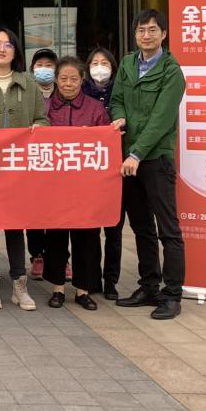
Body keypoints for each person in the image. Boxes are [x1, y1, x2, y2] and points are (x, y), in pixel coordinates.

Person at [111, 9, 186, 321]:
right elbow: (116, 99)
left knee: (168, 230)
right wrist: (119, 116)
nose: (146, 35)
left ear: (163, 34)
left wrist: (137, 153)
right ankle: (149, 287)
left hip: (155, 159)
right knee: (141, 227)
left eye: (153, 30)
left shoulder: (172, 71)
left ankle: (172, 295)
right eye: (141, 30)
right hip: (129, 159)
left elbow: (161, 120)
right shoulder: (128, 64)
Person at [0, 27, 48, 311]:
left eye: (8, 45)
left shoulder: (28, 84)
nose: (2, 49)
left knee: (15, 225)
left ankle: (19, 284)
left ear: (16, 51)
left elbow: (42, 118)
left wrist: (39, 127)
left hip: (18, 167)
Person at [45, 56, 108, 311]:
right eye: (63, 78)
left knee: (87, 237)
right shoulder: (46, 108)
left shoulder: (95, 108)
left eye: (73, 79)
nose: (68, 83)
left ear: (82, 80)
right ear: (56, 80)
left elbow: (106, 143)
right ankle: (57, 288)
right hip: (55, 186)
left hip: (86, 187)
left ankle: (83, 290)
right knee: (56, 237)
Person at [85, 47, 125, 299]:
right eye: (94, 63)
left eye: (105, 63)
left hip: (118, 167)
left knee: (114, 228)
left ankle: (111, 280)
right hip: (91, 170)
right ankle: (92, 278)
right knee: (90, 228)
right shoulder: (82, 94)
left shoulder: (122, 93)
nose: (99, 68)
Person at [26, 47, 59, 280]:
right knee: (35, 211)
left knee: (58, 211)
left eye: (49, 66)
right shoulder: (27, 93)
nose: (44, 70)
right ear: (32, 69)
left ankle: (59, 258)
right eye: (39, 65)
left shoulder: (63, 92)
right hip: (33, 161)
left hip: (58, 163)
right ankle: (37, 255)